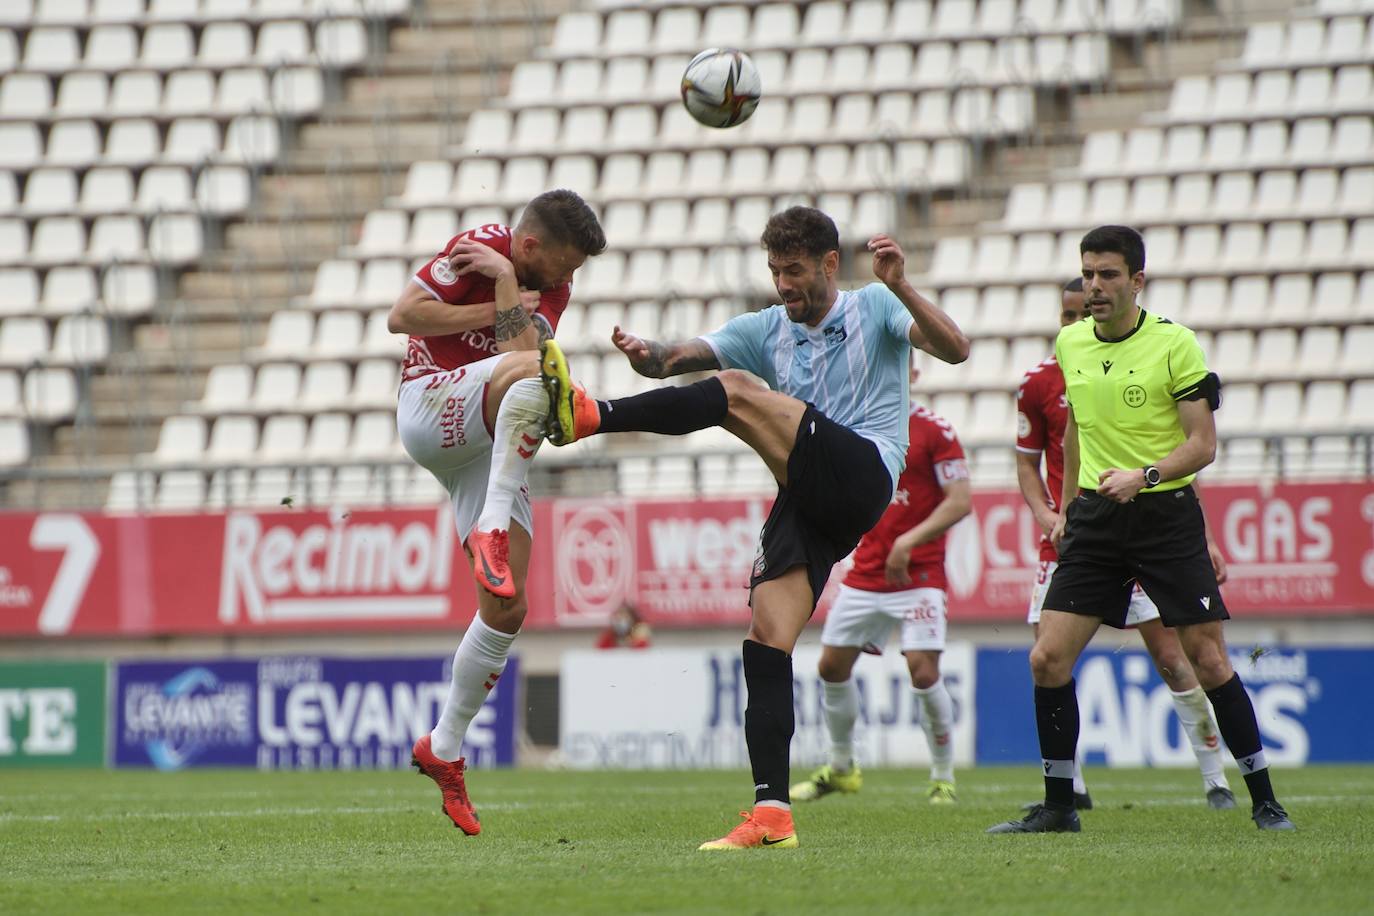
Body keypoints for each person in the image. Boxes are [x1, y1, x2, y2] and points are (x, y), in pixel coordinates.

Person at [537, 206, 970, 850]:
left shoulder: (876, 307)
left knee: (736, 389)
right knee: (766, 639)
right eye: (774, 271)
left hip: (863, 472)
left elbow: (957, 349)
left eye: (794, 271)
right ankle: (772, 815)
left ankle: (589, 416)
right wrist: (646, 354)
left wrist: (902, 284)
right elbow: (677, 360)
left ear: (830, 264)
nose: (782, 284)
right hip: (807, 496)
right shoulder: (765, 327)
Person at [988, 225, 1293, 834]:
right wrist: (1071, 503)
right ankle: (1058, 807)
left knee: (1205, 658)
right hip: (1097, 520)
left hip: (1165, 515)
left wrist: (1145, 475)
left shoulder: (1176, 345)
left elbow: (1202, 445)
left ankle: (1264, 799)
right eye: (1088, 273)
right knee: (1047, 659)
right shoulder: (1071, 344)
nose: (1095, 286)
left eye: (1107, 275)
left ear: (1137, 281)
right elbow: (1076, 430)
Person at [389, 190, 606, 835]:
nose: (568, 282)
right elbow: (403, 316)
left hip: (487, 433)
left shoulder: (545, 282)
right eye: (563, 266)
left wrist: (510, 283)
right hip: (431, 406)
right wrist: (500, 289)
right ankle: (489, 523)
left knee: (507, 608)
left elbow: (523, 350)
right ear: (532, 244)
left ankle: (444, 747)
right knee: (537, 379)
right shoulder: (476, 243)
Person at [1015, 278, 1236, 811]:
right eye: (1065, 314)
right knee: (1050, 658)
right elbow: (1027, 459)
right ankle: (1071, 794)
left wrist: (1202, 534)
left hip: (1146, 523)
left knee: (1171, 657)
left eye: (1078, 311)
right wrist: (1051, 512)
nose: (1073, 322)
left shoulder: (1140, 354)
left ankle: (1216, 780)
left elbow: (1172, 452)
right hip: (1082, 530)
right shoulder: (1044, 378)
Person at [790, 371, 972, 806]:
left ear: (910, 372)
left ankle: (943, 777)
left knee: (923, 672)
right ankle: (841, 769)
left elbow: (960, 500)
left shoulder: (935, 430)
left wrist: (909, 541)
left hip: (920, 575)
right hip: (866, 573)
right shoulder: (854, 424)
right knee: (831, 667)